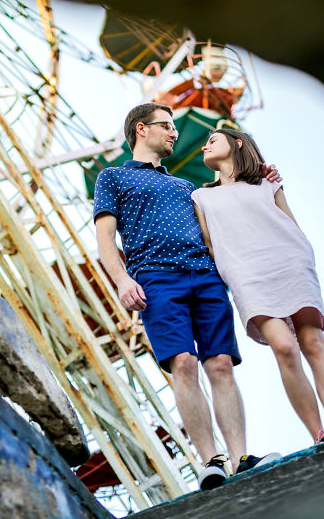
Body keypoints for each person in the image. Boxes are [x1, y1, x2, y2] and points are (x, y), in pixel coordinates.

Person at [93, 103, 280, 491]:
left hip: (207, 278)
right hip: (157, 279)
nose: (175, 133)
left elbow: (231, 203)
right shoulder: (111, 178)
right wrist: (122, 281)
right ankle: (211, 461)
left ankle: (242, 457)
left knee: (222, 364)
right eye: (167, 126)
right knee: (182, 362)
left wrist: (261, 176)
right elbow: (105, 240)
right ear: (142, 129)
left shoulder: (187, 188)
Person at [191, 127, 324, 446]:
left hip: (288, 261)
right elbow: (209, 244)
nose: (205, 147)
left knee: (313, 341)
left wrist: (305, 252)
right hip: (246, 273)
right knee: (285, 348)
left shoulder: (267, 181)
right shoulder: (200, 196)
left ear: (236, 144)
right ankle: (317, 434)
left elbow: (289, 220)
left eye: (212, 140)